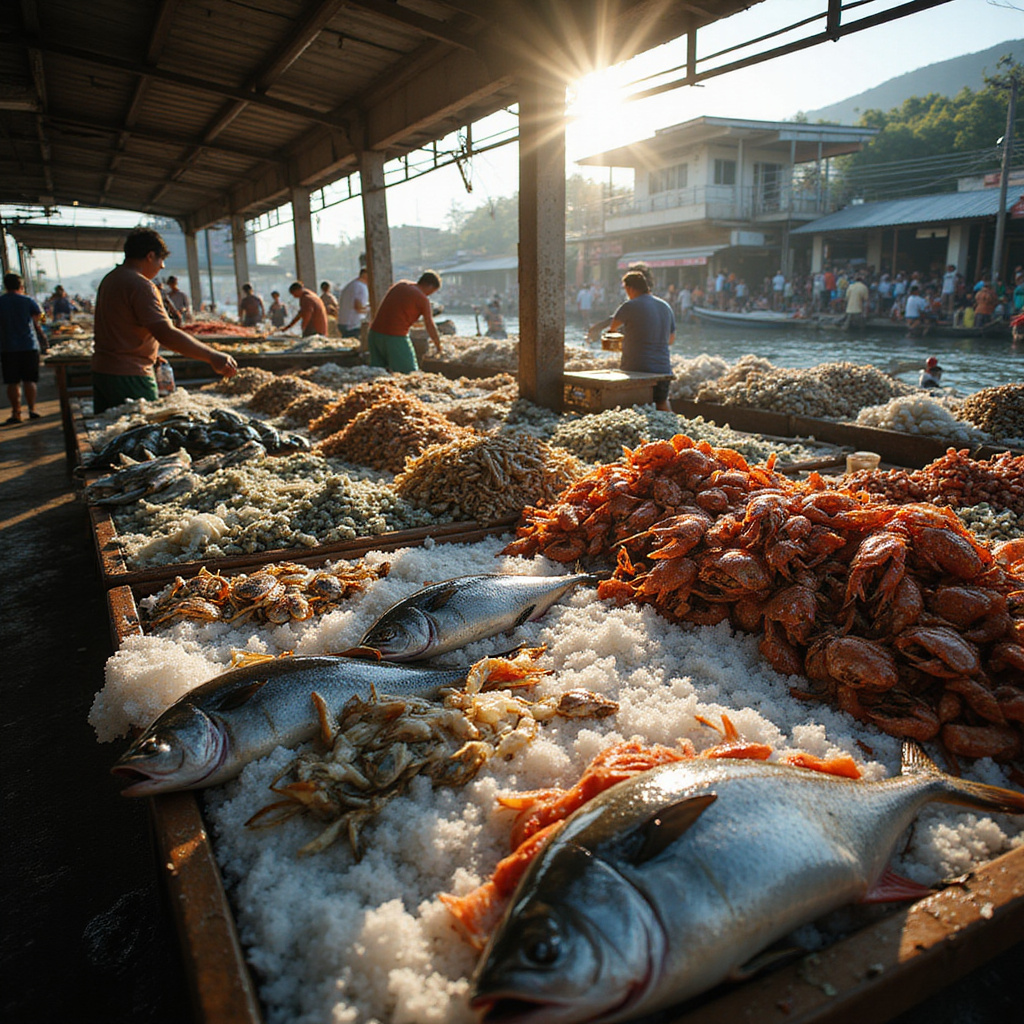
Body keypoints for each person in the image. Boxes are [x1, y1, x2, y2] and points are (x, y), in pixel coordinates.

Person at [91, 228, 237, 414]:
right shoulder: (141, 285)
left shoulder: (111, 279)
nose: (162, 266)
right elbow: (165, 333)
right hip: (130, 376)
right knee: (138, 435)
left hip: (103, 372)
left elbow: (120, 327)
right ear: (150, 256)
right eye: (161, 260)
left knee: (110, 432)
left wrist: (149, 351)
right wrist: (212, 356)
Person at [607, 269, 674, 412]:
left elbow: (612, 329)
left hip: (636, 368)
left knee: (633, 407)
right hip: (663, 368)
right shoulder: (665, 306)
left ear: (629, 288)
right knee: (662, 402)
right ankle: (674, 431)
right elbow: (671, 339)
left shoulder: (629, 305)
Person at [367, 271, 442, 372]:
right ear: (430, 287)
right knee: (409, 373)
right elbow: (429, 324)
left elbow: (396, 311)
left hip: (375, 334)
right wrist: (438, 345)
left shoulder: (400, 285)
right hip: (395, 338)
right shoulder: (422, 299)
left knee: (377, 372)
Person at [0, 272, 48, 423]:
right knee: (30, 380)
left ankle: (16, 413)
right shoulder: (27, 300)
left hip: (7, 347)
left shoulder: (1, 302)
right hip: (28, 345)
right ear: (21, 286)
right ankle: (32, 409)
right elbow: (40, 316)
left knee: (12, 382)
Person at [336, 269, 370, 338]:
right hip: (353, 325)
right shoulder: (361, 287)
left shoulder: (352, 285)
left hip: (343, 323)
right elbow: (358, 307)